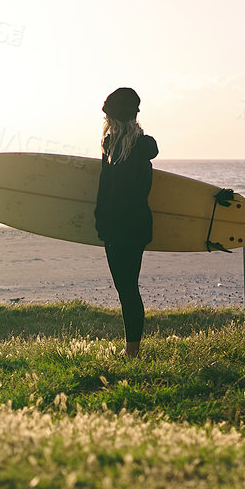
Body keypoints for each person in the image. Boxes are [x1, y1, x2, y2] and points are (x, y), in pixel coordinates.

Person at [94, 86, 158, 357]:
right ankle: (131, 348)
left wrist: (101, 220)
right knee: (128, 288)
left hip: (120, 229)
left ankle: (131, 350)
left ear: (115, 118)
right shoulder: (134, 145)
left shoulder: (124, 146)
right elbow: (106, 187)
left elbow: (107, 189)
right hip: (135, 226)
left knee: (127, 289)